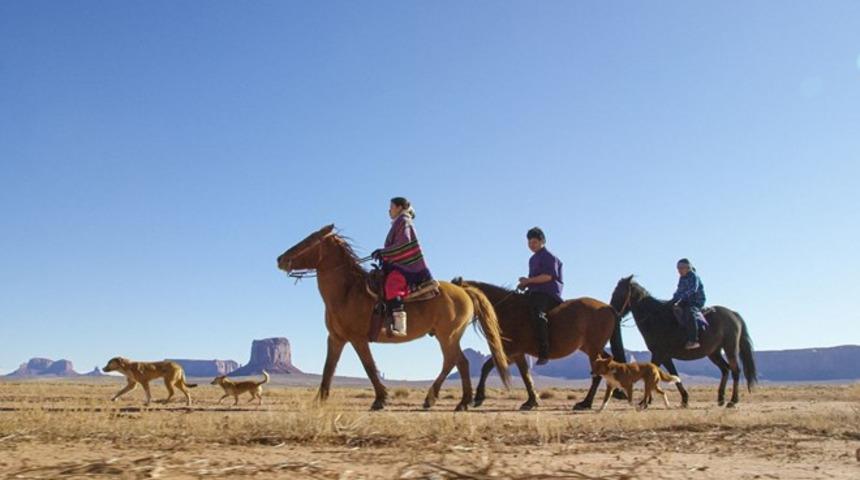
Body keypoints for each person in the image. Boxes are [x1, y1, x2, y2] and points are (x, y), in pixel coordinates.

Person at [371, 197, 433, 337]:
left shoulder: (404, 221)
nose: (389, 210)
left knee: (392, 285)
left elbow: (404, 245)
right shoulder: (399, 223)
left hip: (407, 266)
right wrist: (382, 252)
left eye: (391, 207)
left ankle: (400, 326)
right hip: (398, 263)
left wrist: (383, 252)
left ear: (399, 207)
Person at [517, 227, 563, 365]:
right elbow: (533, 279)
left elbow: (547, 277)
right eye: (529, 242)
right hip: (534, 292)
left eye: (534, 242)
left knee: (538, 313)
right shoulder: (532, 259)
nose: (531, 245)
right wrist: (525, 284)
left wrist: (528, 281)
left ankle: (544, 350)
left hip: (548, 293)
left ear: (542, 241)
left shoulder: (549, 257)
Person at [670, 258, 706, 350]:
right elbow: (679, 290)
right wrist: (673, 299)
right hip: (685, 300)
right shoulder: (682, 278)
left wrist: (681, 297)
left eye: (681, 268)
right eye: (678, 268)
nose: (679, 270)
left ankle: (693, 340)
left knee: (690, 312)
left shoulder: (694, 276)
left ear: (688, 268)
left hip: (696, 301)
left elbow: (693, 289)